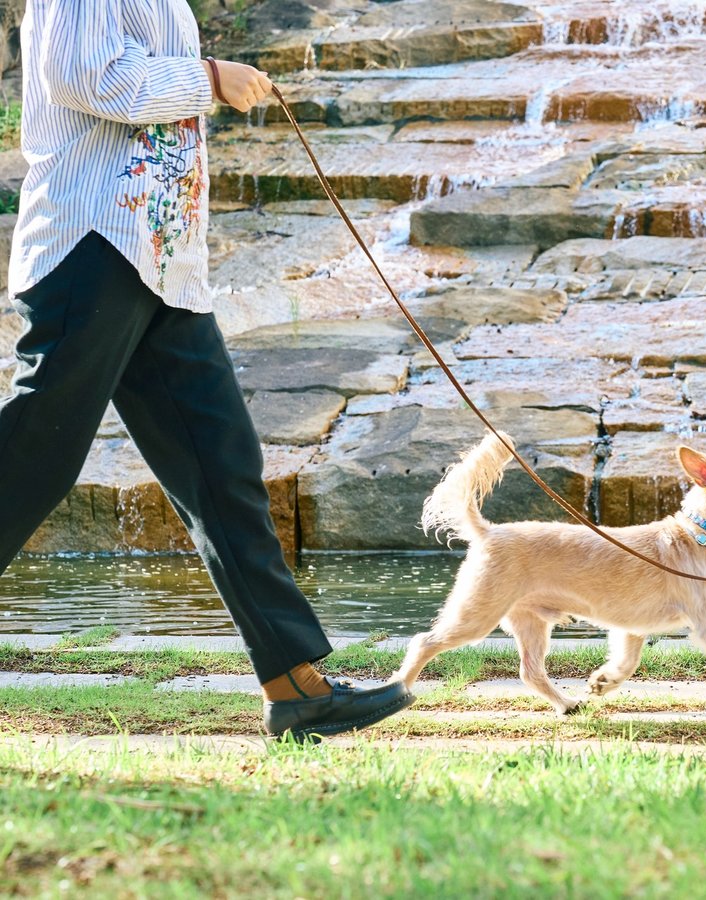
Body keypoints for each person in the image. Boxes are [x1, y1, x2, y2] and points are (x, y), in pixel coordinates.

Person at [0, 1, 413, 740]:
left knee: (221, 465)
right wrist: (211, 78)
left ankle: (296, 687)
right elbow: (82, 75)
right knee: (35, 456)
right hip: (92, 245)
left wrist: (207, 79)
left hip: (160, 258)